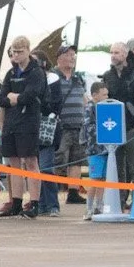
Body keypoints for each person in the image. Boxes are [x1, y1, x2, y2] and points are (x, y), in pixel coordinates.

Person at [0, 36, 48, 217]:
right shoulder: (11, 73)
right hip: (11, 122)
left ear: (28, 50)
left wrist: (14, 97)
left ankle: (34, 203)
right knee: (13, 162)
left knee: (31, 161)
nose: (16, 55)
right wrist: (14, 98)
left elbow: (31, 95)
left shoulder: (36, 72)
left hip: (28, 122)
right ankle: (16, 202)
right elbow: (2, 98)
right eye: (14, 52)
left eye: (20, 51)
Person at [102, 42, 134, 188]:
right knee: (116, 169)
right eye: (111, 52)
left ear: (125, 54)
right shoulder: (107, 76)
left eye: (116, 52)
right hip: (113, 129)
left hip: (132, 129)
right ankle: (119, 202)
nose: (113, 56)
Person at [44, 47, 88, 212]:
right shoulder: (53, 77)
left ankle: (73, 192)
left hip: (78, 124)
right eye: (68, 55)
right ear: (59, 58)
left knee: (77, 159)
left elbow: (84, 98)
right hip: (61, 124)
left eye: (73, 55)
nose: (72, 58)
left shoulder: (78, 78)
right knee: (59, 159)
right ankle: (52, 192)